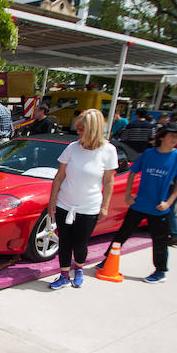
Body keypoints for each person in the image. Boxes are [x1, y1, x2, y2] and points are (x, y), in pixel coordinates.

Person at [102, 122, 177, 283]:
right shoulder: (149, 153)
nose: (175, 139)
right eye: (172, 135)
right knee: (122, 234)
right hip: (139, 204)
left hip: (159, 208)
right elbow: (133, 173)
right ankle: (107, 259)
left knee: (160, 241)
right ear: (162, 136)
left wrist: (169, 202)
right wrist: (128, 195)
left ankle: (160, 271)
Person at [47, 109, 118, 289]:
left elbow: (109, 182)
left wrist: (105, 207)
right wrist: (52, 201)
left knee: (80, 243)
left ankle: (78, 269)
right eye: (77, 127)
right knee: (64, 241)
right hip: (65, 203)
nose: (77, 130)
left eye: (81, 128)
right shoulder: (72, 148)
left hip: (89, 206)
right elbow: (59, 176)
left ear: (92, 129)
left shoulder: (108, 150)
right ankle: (63, 275)